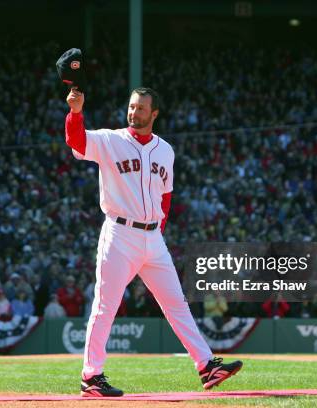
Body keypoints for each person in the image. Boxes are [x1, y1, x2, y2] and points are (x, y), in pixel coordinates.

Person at [64, 87, 242, 397]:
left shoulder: (166, 151)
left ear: (154, 114)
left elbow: (166, 196)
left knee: (177, 304)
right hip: (119, 233)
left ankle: (206, 366)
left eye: (141, 108)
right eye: (132, 107)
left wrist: (157, 230)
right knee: (105, 306)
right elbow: (76, 142)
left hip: (152, 237)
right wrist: (76, 113)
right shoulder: (111, 140)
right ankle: (91, 376)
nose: (134, 112)